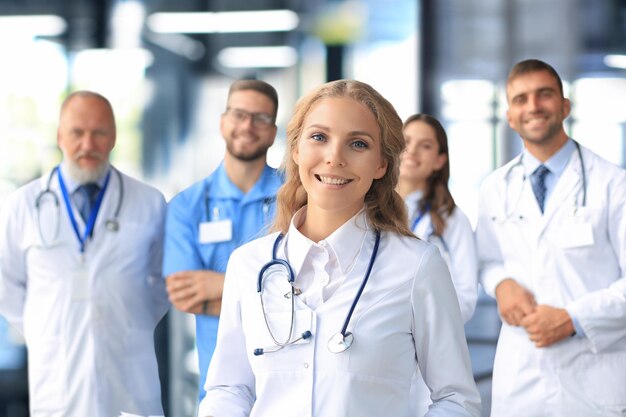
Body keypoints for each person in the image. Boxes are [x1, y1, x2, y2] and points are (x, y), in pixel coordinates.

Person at [198, 79, 481, 417]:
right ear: (297, 150)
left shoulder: (417, 265)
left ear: (382, 164)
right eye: (319, 137)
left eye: (358, 144)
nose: (334, 158)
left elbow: (456, 399)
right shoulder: (249, 265)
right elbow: (229, 389)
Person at [0, 91, 169, 416]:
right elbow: (6, 287)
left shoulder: (149, 203)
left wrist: (126, 319)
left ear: (114, 136)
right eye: (78, 132)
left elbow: (165, 285)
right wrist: (47, 327)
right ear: (60, 136)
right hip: (56, 379)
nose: (88, 144)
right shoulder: (23, 205)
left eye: (99, 132)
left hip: (129, 376)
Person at [475, 59, 626, 417]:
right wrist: (501, 284)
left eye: (544, 94)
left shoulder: (614, 184)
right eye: (521, 98)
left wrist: (573, 317)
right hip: (521, 376)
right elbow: (487, 260)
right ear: (510, 116)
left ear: (564, 105)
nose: (533, 106)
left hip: (593, 374)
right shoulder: (496, 187)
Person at [163, 79, 283, 402]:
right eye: (239, 114)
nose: (248, 125)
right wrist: (274, 297)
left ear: (273, 132)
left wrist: (217, 288)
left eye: (261, 118)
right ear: (223, 122)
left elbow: (308, 292)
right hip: (218, 390)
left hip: (289, 387)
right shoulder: (186, 207)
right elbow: (184, 294)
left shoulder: (297, 199)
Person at [397, 113, 479, 416]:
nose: (413, 152)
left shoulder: (453, 221)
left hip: (428, 354)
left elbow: (467, 295)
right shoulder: (368, 214)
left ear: (440, 160)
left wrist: (421, 323)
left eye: (425, 145)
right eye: (406, 142)